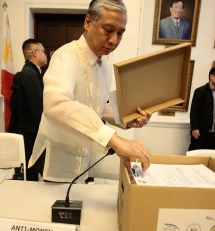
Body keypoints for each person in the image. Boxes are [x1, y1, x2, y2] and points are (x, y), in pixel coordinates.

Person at [28, 0, 152, 183]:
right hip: (57, 157)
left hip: (85, 156)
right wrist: (115, 140)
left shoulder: (106, 68)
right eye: (108, 30)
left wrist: (126, 118)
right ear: (88, 22)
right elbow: (56, 105)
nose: (114, 40)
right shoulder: (65, 56)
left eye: (120, 33)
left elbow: (98, 107)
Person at [9, 39, 47, 181]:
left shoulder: (32, 72)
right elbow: (36, 108)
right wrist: (45, 129)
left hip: (31, 130)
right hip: (31, 131)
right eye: (43, 51)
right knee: (32, 168)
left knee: (33, 166)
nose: (46, 55)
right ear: (35, 53)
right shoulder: (30, 74)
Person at [188, 66, 215, 151]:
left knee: (208, 154)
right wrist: (194, 128)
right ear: (212, 76)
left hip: (214, 132)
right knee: (194, 152)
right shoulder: (200, 91)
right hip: (200, 130)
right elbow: (194, 111)